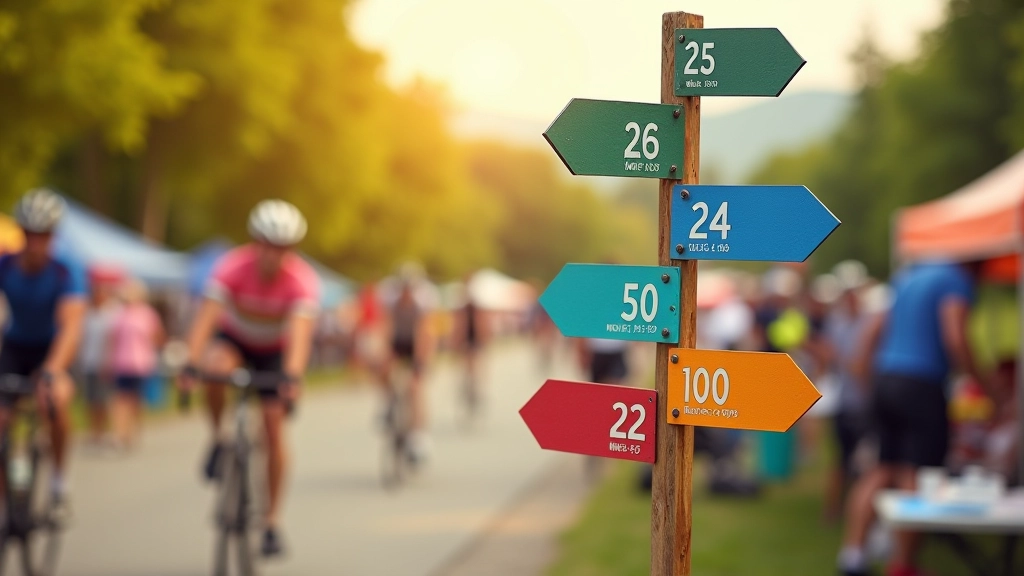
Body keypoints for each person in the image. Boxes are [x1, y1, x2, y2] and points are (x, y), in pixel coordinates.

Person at [178, 199, 319, 557]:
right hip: (236, 342)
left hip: (274, 352)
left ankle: (271, 522)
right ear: (255, 242)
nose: (274, 254)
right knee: (215, 367)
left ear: (292, 249)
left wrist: (292, 377)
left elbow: (300, 337)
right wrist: (189, 363)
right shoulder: (232, 267)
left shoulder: (301, 280)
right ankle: (218, 437)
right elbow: (207, 318)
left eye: (282, 247)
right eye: (267, 245)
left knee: (273, 426)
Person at [838, 260, 994, 576]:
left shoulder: (908, 276)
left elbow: (872, 332)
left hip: (886, 378)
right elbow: (955, 336)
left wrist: (868, 380)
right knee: (918, 474)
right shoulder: (956, 278)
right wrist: (983, 383)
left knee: (881, 469)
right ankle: (903, 565)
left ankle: (852, 556)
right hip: (922, 384)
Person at [0, 189, 86, 521]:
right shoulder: (6, 264)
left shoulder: (66, 270)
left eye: (44, 235)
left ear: (53, 236)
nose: (36, 242)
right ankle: (7, 504)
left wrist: (52, 369)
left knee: (54, 399)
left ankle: (59, 481)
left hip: (54, 349)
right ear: (21, 233)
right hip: (16, 347)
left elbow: (72, 325)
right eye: (29, 234)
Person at [107, 278, 164, 450]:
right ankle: (120, 433)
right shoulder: (119, 314)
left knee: (136, 400)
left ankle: (133, 430)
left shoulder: (148, 314)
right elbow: (113, 339)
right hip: (121, 363)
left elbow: (158, 336)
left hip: (141, 364)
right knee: (121, 399)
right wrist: (109, 360)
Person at [384, 264, 432, 462]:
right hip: (398, 342)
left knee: (415, 388)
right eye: (403, 288)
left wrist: (420, 363)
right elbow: (384, 329)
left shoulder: (422, 305)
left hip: (416, 344)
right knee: (385, 371)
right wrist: (383, 357)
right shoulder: (390, 303)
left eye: (409, 288)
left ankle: (418, 435)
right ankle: (389, 405)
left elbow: (424, 335)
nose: (406, 292)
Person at [77, 265, 121, 447]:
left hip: (105, 363)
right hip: (88, 361)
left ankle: (103, 432)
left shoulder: (112, 313)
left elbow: (115, 340)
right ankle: (93, 432)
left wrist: (109, 361)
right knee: (90, 399)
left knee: (103, 400)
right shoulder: (87, 313)